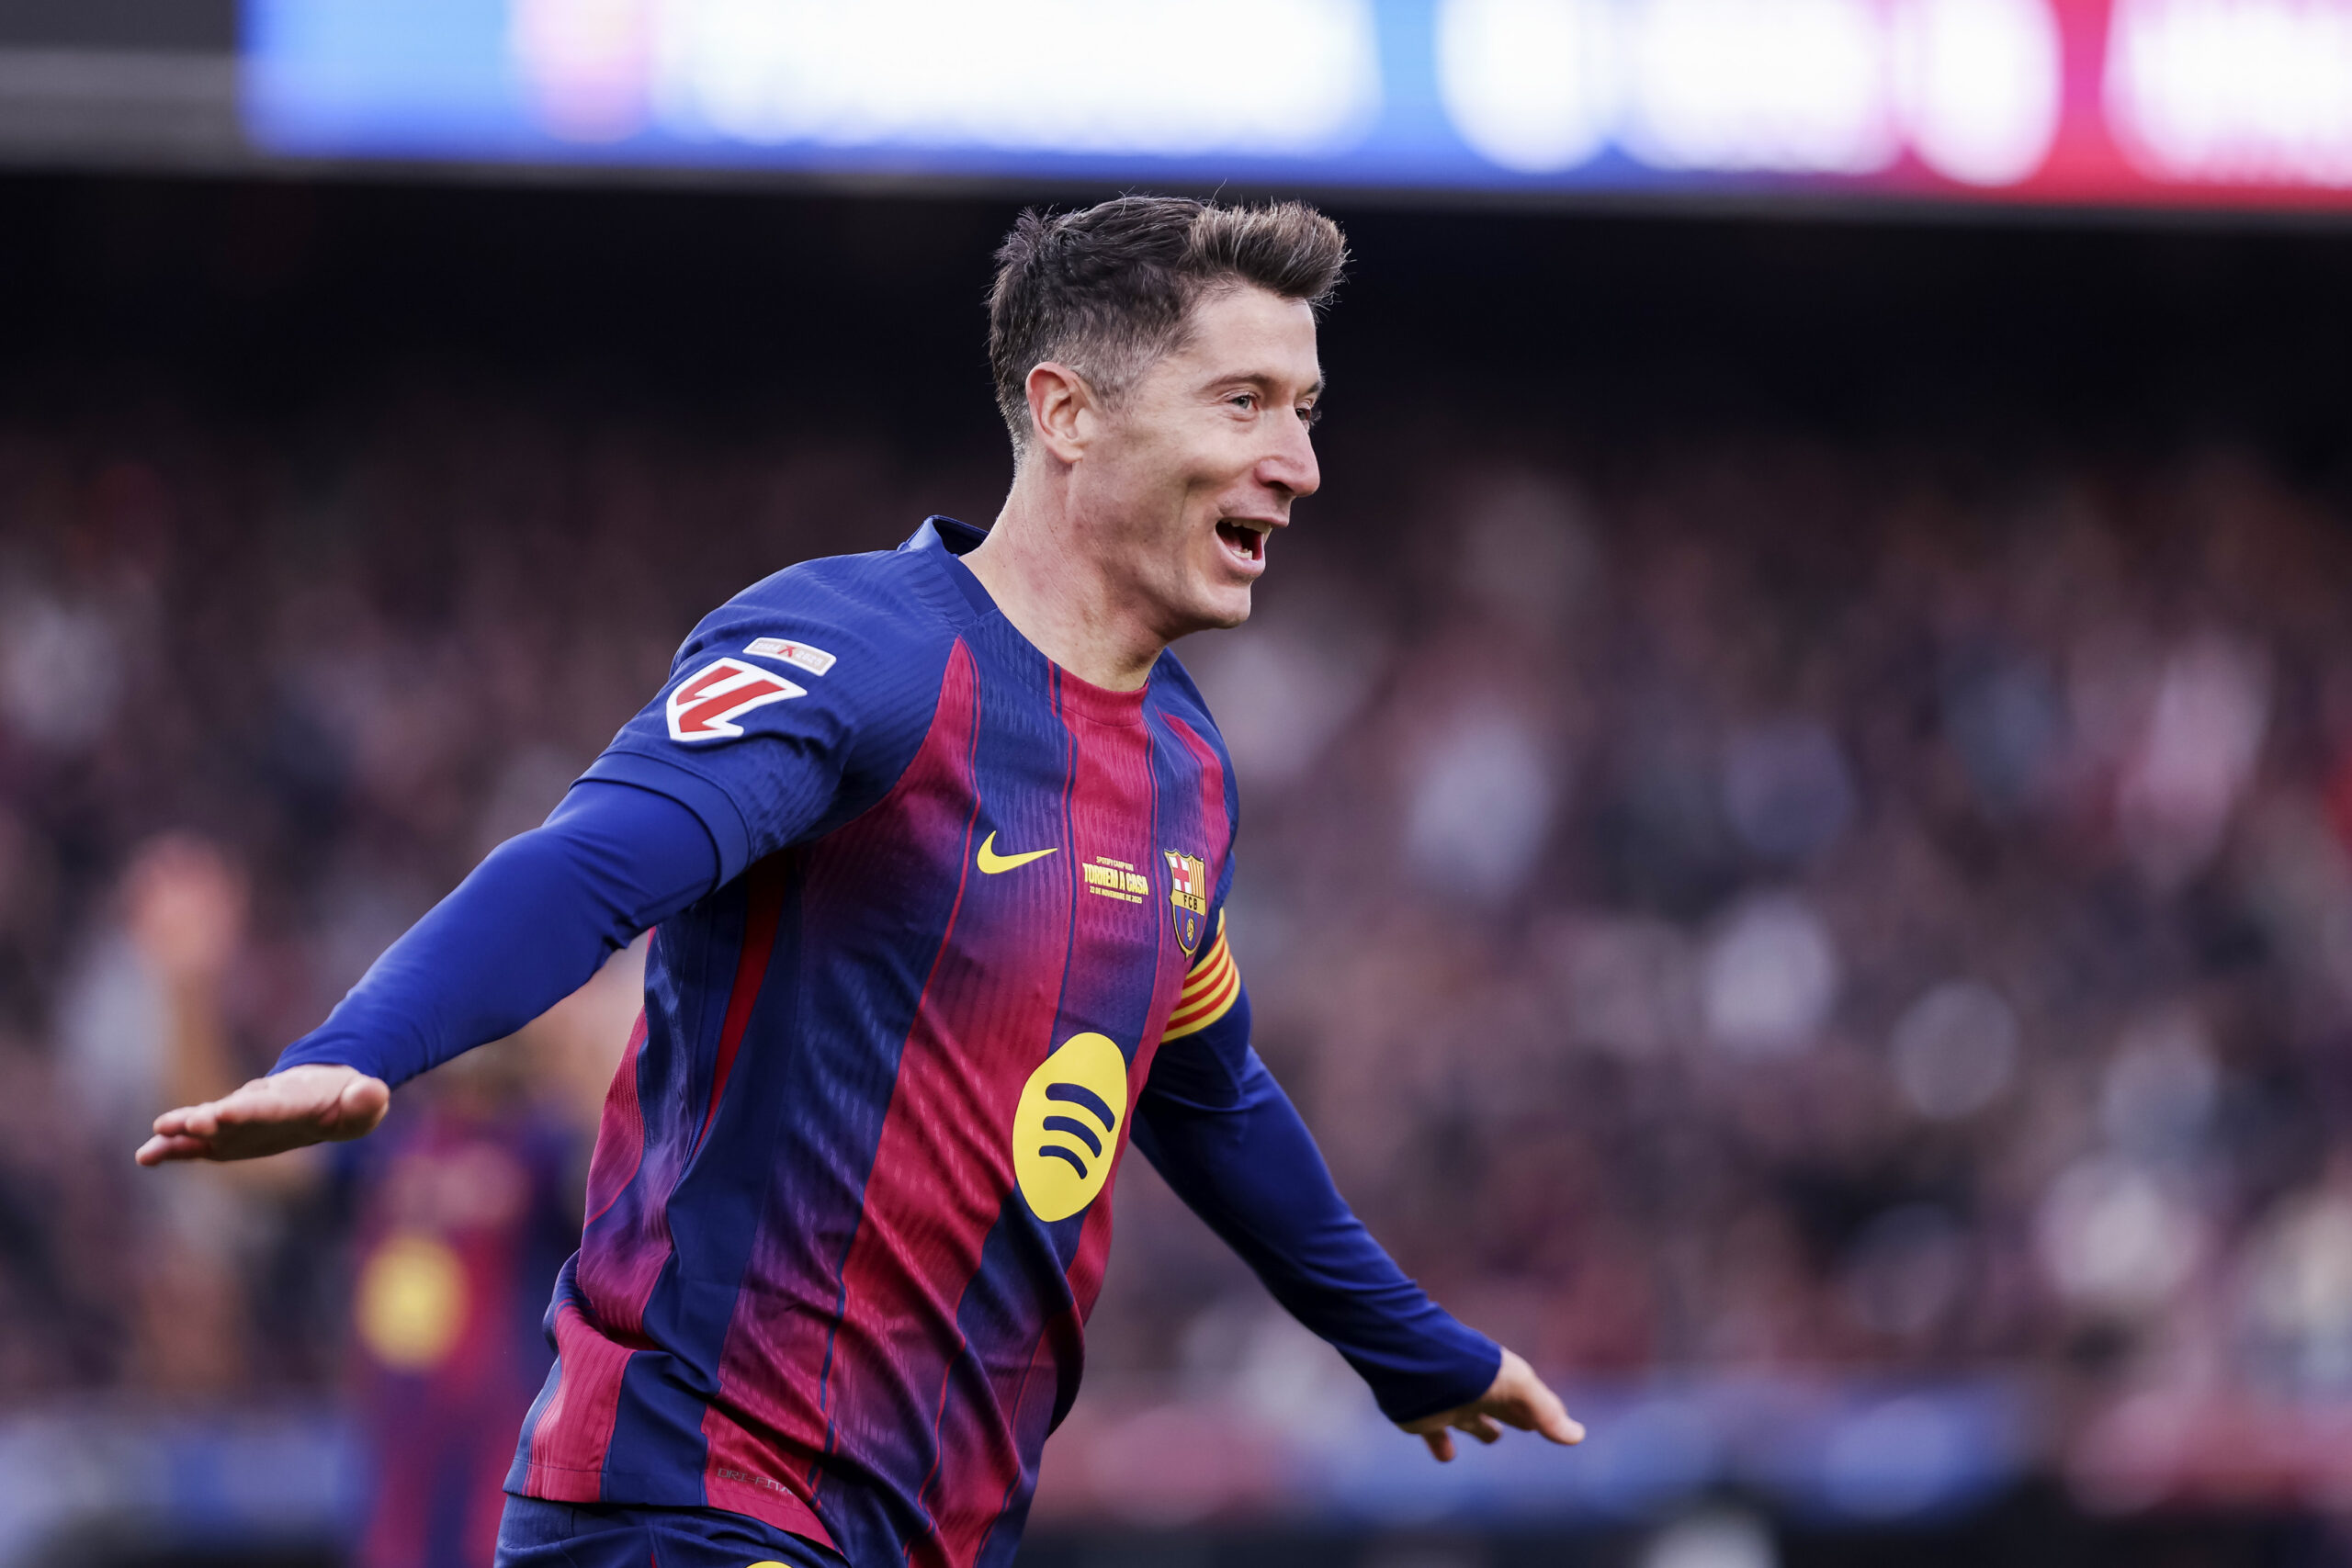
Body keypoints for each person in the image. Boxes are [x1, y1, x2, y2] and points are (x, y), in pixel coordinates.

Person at [138, 196, 1582, 1568]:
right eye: (1244, 402)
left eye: (1306, 411)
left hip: (923, 1525)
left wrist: (1412, 1348)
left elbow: (1209, 1097)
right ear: (1068, 412)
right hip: (694, 1498)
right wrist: (359, 1044)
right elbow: (594, 863)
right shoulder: (861, 657)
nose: (1300, 462)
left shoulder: (1186, 768)